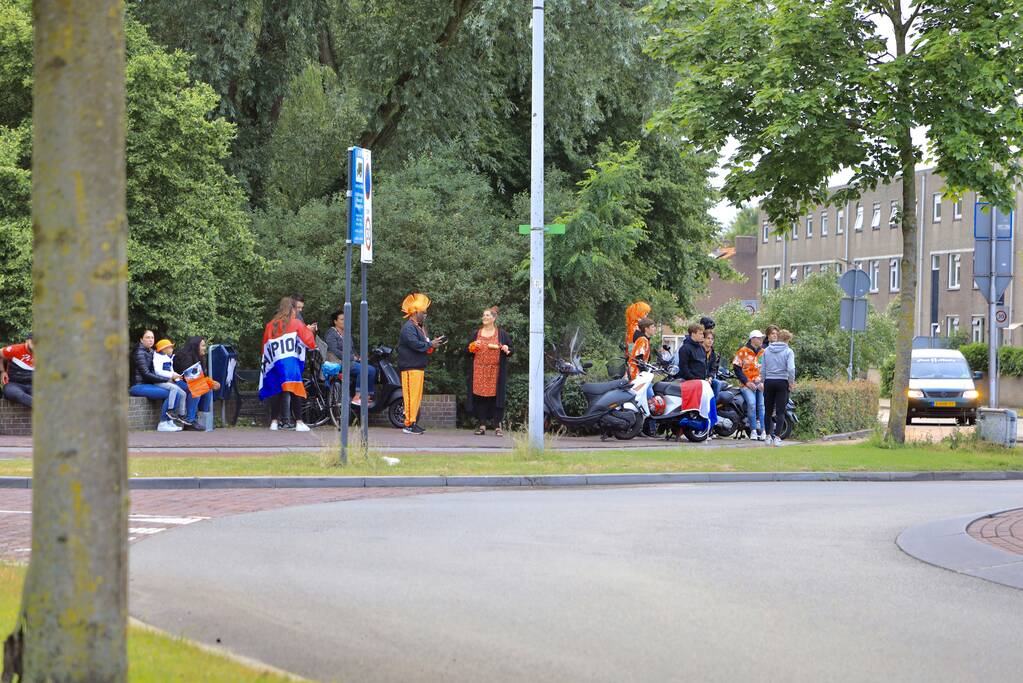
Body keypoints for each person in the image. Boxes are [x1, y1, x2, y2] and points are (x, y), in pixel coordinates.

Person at [260, 297, 316, 431]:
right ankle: (299, 422)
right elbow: (309, 342)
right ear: (291, 309)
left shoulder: (270, 325)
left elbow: (265, 347)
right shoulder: (296, 323)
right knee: (295, 390)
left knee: (277, 391)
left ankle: (274, 422)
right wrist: (310, 331)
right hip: (290, 361)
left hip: (275, 362)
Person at [398, 292, 445, 435]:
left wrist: (432, 344)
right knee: (411, 397)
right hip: (409, 368)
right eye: (423, 312)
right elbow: (415, 344)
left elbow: (423, 344)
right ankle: (408, 424)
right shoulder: (408, 327)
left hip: (417, 367)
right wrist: (431, 344)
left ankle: (412, 422)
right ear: (415, 312)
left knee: (416, 398)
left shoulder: (418, 327)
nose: (425, 315)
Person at [466, 306, 512, 436]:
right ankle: (482, 425)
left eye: (487, 315)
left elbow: (510, 350)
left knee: (496, 398)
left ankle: (497, 426)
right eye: (483, 315)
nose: (484, 317)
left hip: (496, 370)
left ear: (494, 318)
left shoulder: (502, 334)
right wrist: (472, 347)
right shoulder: (476, 333)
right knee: (480, 398)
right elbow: (467, 350)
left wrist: (507, 348)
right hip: (479, 369)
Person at [129, 330, 185, 431]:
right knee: (172, 393)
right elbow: (146, 374)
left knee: (176, 392)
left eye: (152, 338)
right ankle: (163, 423)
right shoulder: (139, 353)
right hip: (138, 386)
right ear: (141, 340)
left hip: (149, 385)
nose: (150, 340)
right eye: (147, 337)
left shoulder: (151, 352)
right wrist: (166, 379)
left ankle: (169, 421)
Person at [324, 310, 377, 404]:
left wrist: (358, 357)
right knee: (364, 370)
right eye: (342, 319)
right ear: (335, 321)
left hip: (350, 361)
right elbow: (334, 351)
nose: (345, 321)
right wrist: (352, 357)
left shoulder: (346, 333)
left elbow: (352, 349)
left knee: (372, 369)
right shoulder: (331, 333)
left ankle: (367, 395)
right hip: (339, 362)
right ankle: (357, 396)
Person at [173, 336, 221, 430]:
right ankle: (189, 421)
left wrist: (211, 383)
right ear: (195, 346)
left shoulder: (200, 357)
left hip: (191, 382)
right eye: (202, 345)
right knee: (197, 390)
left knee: (208, 390)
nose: (205, 348)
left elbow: (201, 376)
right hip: (178, 381)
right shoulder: (184, 356)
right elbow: (190, 377)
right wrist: (208, 382)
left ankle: (202, 419)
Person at [762, 326, 796, 446]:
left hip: (769, 382)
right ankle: (777, 437)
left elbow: (763, 369)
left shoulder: (766, 350)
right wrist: (791, 382)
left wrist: (763, 381)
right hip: (782, 382)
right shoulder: (788, 351)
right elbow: (791, 369)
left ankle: (767, 436)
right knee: (781, 411)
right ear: (787, 340)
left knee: (768, 410)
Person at [732, 330, 767, 440]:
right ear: (752, 339)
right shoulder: (742, 351)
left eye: (762, 338)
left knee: (762, 406)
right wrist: (747, 382)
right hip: (747, 384)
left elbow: (767, 369)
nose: (761, 340)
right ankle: (753, 430)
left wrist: (762, 382)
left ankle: (763, 431)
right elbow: (736, 369)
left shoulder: (764, 352)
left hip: (760, 384)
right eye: (759, 338)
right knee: (752, 404)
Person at [1, 332, 34, 408]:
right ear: (27, 341)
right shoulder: (14, 349)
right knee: (15, 394)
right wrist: (2, 371)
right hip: (14, 384)